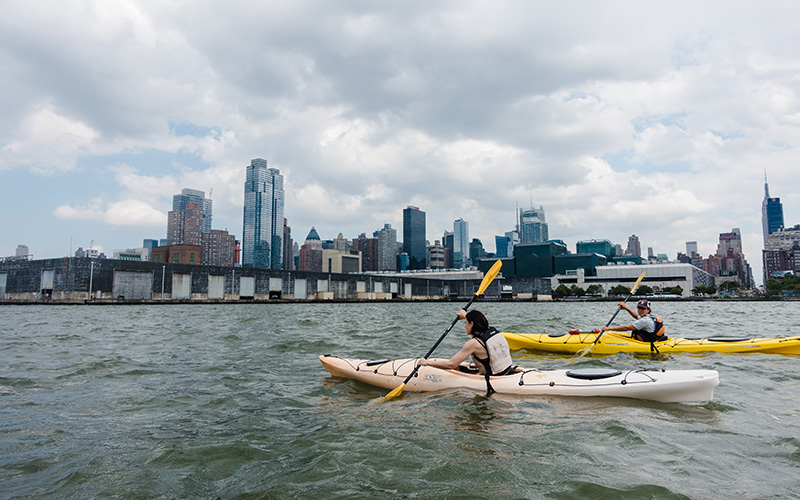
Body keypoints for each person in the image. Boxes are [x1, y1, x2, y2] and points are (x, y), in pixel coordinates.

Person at [417, 309, 514, 387]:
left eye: (466, 323)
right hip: (505, 371)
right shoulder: (492, 331)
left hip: (492, 378)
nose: (464, 326)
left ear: (471, 324)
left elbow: (451, 364)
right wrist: (465, 316)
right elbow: (477, 321)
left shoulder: (473, 344)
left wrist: (426, 362)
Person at [601, 299, 667, 343]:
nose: (640, 310)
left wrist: (609, 328)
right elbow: (636, 316)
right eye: (639, 308)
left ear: (648, 310)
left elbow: (626, 328)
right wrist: (626, 308)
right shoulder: (649, 317)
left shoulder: (645, 320)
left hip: (649, 342)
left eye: (643, 308)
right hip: (653, 338)